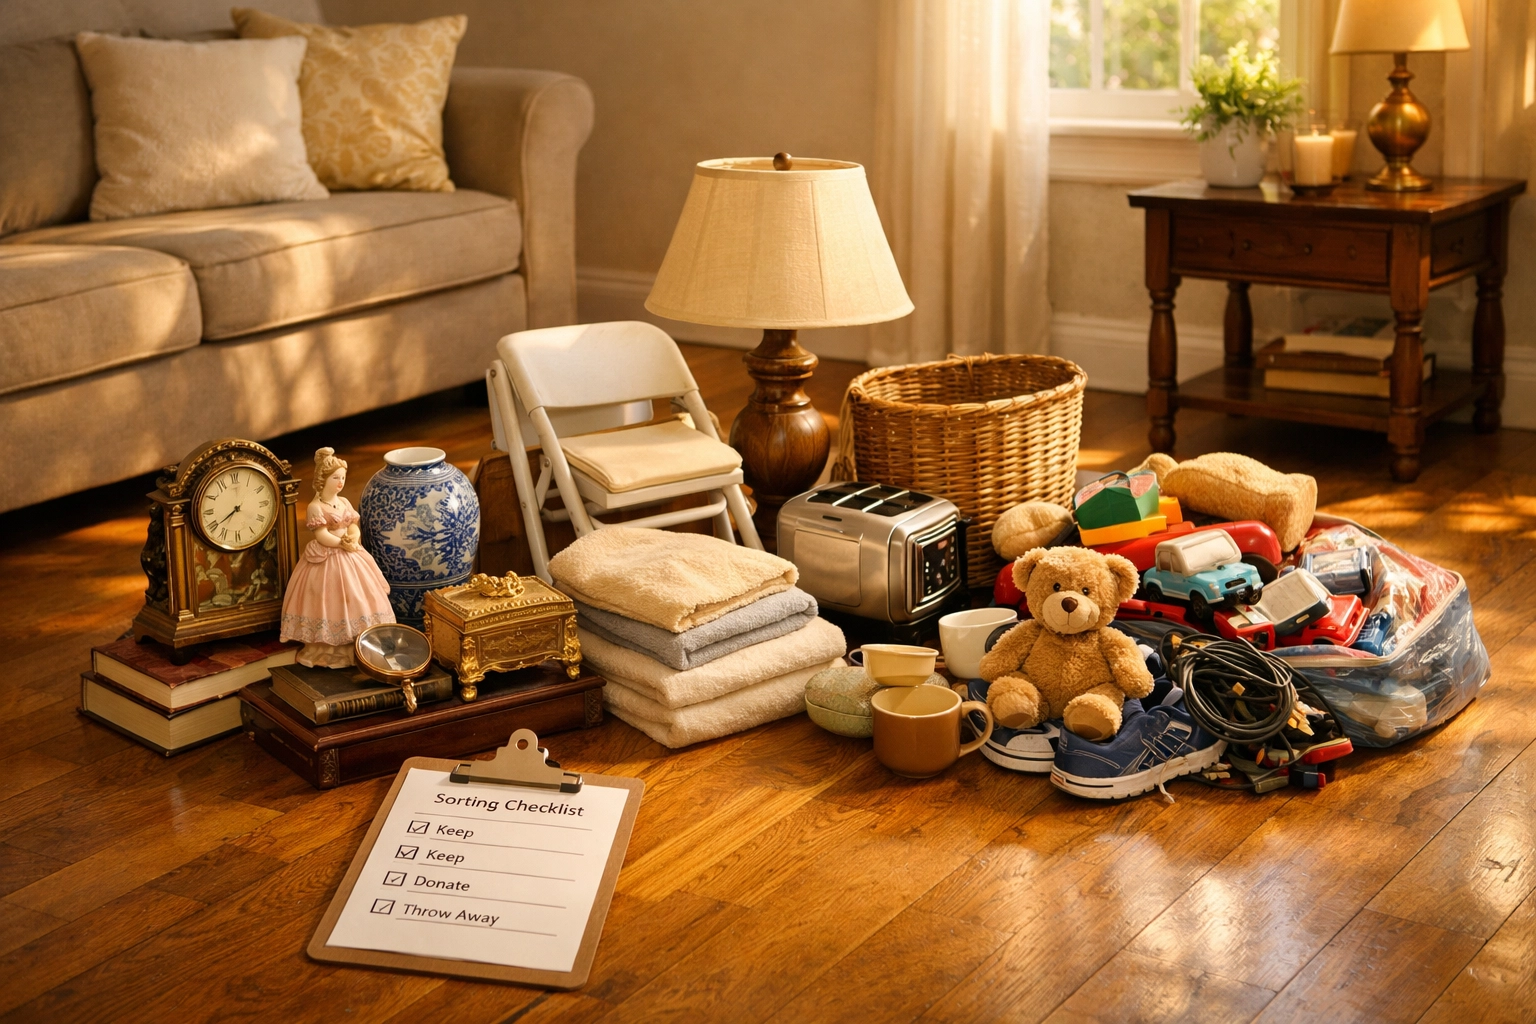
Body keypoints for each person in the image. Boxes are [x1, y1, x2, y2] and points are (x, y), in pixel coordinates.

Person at [280, 447, 395, 667]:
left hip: (350, 553)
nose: (340, 482)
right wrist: (341, 542)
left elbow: (353, 525)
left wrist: (353, 537)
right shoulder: (315, 507)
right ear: (323, 479)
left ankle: (358, 643)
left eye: (342, 477)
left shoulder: (343, 502)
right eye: (335, 478)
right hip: (328, 556)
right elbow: (321, 535)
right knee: (329, 597)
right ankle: (327, 646)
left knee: (360, 593)